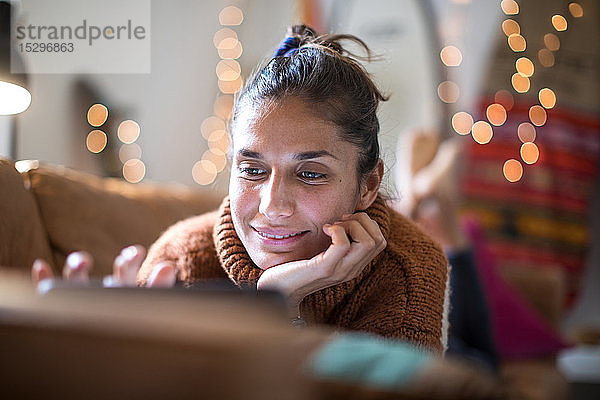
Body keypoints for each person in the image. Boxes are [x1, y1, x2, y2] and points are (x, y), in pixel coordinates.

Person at [33, 25, 449, 354]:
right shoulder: (181, 259)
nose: (272, 206)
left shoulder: (408, 269)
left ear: (368, 185)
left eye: (311, 174)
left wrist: (277, 313)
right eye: (252, 169)